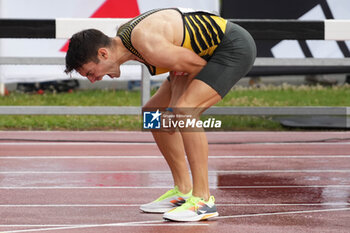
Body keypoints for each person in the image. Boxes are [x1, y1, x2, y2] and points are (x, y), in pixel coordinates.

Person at [65, 7, 256, 222]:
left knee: (184, 111)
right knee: (153, 113)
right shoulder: (127, 40)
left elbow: (195, 65)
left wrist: (178, 105)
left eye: (91, 73)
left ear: (103, 53)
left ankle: (203, 200)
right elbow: (180, 64)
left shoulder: (147, 44)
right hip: (199, 56)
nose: (93, 80)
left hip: (231, 48)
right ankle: (183, 191)